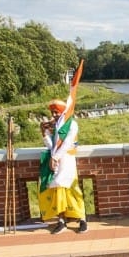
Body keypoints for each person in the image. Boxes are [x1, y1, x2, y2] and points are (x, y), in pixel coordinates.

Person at [39, 99, 87, 234]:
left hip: (68, 161)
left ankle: (82, 219)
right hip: (56, 164)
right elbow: (51, 146)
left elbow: (67, 144)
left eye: (56, 112)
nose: (54, 115)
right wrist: (45, 133)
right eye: (52, 112)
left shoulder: (72, 124)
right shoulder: (54, 126)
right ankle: (61, 221)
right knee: (58, 191)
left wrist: (55, 157)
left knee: (73, 190)